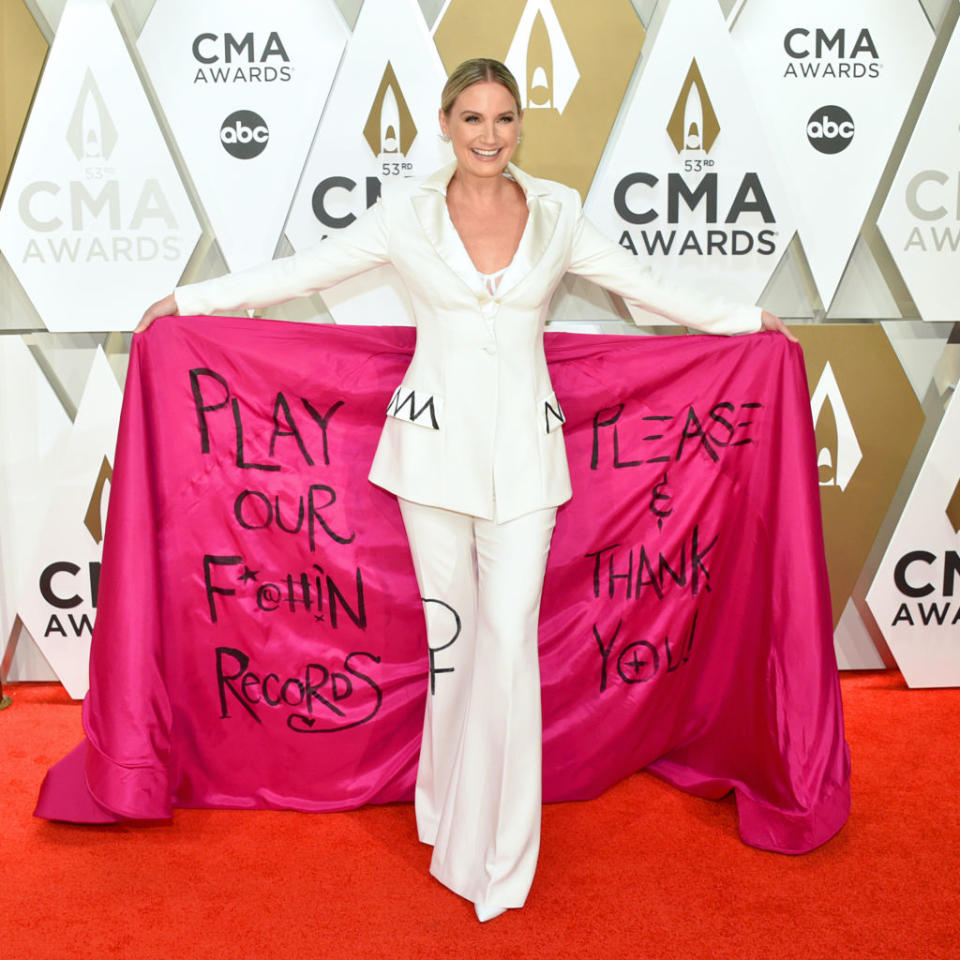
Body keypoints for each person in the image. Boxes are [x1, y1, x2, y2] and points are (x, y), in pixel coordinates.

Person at [137, 58, 795, 922]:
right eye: (473, 119)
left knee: (508, 644)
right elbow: (301, 273)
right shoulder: (404, 216)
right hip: (430, 463)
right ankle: (445, 814)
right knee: (454, 653)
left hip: (528, 463)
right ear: (444, 124)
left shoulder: (557, 212)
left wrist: (749, 322)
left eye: (505, 120)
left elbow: (649, 288)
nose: (490, 135)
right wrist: (187, 299)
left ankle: (502, 856)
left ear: (520, 126)